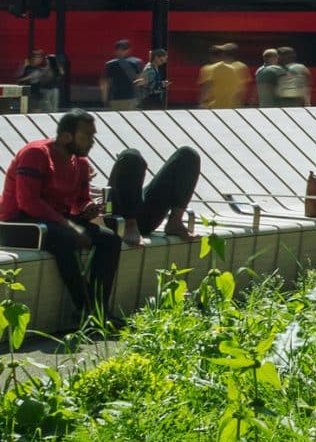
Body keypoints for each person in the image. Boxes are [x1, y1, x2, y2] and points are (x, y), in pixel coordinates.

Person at [0, 111, 200, 323]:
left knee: (109, 240)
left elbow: (79, 202)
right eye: (86, 137)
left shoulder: (81, 164)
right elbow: (28, 201)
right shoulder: (36, 154)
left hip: (52, 221)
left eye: (93, 137)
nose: (92, 142)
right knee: (66, 239)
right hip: (18, 223)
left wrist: (88, 208)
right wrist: (68, 225)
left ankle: (99, 308)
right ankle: (84, 309)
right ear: (67, 136)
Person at [198, 44, 250, 109]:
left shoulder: (213, 68)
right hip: (233, 106)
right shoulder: (237, 68)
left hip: (215, 106)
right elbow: (241, 88)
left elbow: (207, 87)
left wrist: (203, 102)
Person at [99, 40, 143, 111]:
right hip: (131, 98)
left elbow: (105, 84)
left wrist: (104, 99)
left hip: (115, 98)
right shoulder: (136, 62)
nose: (120, 52)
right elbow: (140, 81)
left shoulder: (110, 64)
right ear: (129, 50)